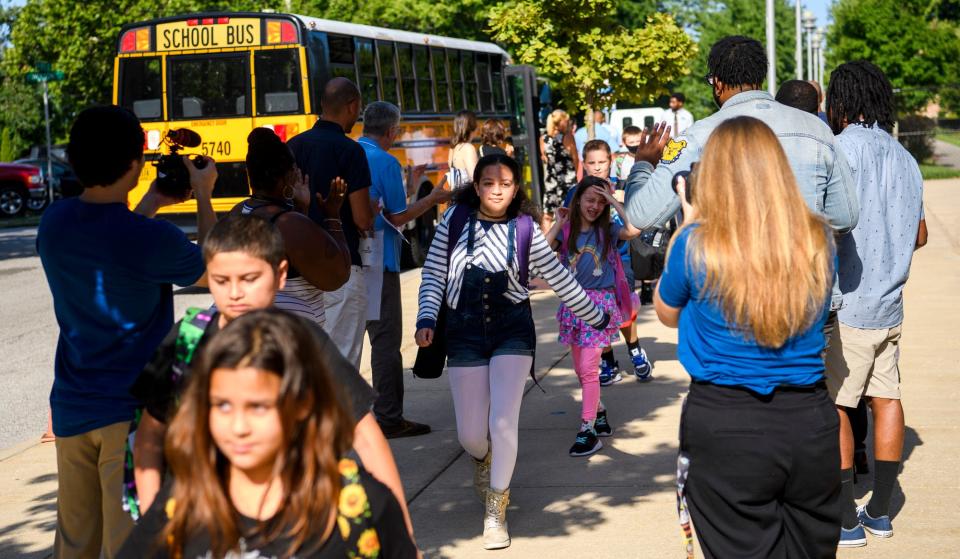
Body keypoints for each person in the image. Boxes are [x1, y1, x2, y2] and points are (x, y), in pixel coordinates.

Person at [129, 216, 415, 539]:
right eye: (221, 280)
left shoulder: (302, 343)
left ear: (280, 275)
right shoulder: (186, 340)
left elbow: (365, 435)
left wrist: (401, 533)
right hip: (206, 522)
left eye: (249, 278)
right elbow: (149, 438)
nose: (235, 293)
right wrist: (157, 526)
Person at [37, 105, 217, 559]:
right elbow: (214, 269)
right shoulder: (150, 240)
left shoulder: (53, 224)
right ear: (136, 163)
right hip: (134, 418)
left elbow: (110, 235)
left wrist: (153, 202)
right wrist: (202, 193)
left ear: (73, 161)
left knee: (75, 545)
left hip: (73, 409)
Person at [656, 116, 840, 557]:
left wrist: (687, 224)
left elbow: (665, 311)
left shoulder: (696, 243)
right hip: (809, 421)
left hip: (725, 421)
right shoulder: (817, 239)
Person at [415, 154, 608, 550]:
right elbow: (433, 274)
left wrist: (598, 318)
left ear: (516, 187)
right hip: (464, 330)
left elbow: (560, 278)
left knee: (503, 421)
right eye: (489, 182)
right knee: (471, 434)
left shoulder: (525, 229)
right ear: (477, 185)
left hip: (512, 331)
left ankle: (495, 510)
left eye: (505, 183)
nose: (497, 190)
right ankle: (482, 461)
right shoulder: (453, 221)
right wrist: (426, 318)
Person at [119, 310, 418, 559]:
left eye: (258, 407)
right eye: (222, 405)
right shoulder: (182, 505)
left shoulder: (359, 504)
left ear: (301, 406)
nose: (239, 427)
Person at [824, 61, 927, 547]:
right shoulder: (905, 157)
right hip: (892, 304)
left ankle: (846, 520)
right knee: (887, 399)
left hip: (851, 303)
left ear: (841, 101)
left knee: (839, 406)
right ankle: (881, 511)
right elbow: (920, 234)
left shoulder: (841, 149)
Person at [623, 36, 858, 247]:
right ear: (761, 77)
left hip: (735, 286)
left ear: (717, 83)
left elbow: (641, 216)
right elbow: (845, 218)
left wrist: (642, 165)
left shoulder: (699, 135)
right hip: (806, 283)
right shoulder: (817, 128)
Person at [360, 101, 454, 439]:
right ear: (392, 131)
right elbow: (397, 218)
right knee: (384, 342)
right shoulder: (385, 161)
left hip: (341, 260)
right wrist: (433, 198)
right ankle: (389, 416)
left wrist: (413, 185)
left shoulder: (352, 151)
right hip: (377, 262)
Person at [545, 176, 641, 456]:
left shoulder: (609, 230)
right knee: (580, 370)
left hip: (600, 305)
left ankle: (587, 430)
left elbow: (634, 230)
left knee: (588, 369)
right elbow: (539, 250)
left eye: (601, 202)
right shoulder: (567, 231)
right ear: (577, 201)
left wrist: (614, 202)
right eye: (590, 199)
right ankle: (598, 411)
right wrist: (559, 223)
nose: (595, 206)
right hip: (573, 304)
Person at [288, 77, 374, 368]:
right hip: (341, 266)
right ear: (352, 106)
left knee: (308, 364)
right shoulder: (351, 151)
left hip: (298, 272)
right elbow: (362, 218)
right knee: (342, 366)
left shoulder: (293, 146)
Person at [230, 128, 351, 327]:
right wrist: (332, 215)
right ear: (286, 177)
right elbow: (338, 276)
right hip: (283, 339)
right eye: (294, 169)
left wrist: (301, 208)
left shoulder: (237, 213)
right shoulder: (289, 224)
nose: (298, 173)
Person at [577, 140, 653, 384]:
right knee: (598, 316)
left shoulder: (623, 188)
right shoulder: (576, 193)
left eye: (602, 162)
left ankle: (635, 351)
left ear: (611, 160)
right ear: (583, 164)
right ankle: (608, 362)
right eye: (592, 163)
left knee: (625, 313)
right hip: (588, 270)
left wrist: (613, 200)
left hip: (620, 262)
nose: (597, 167)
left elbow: (633, 227)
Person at [542, 109, 579, 224]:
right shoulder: (568, 137)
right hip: (567, 179)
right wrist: (576, 175)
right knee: (570, 212)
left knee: (548, 214)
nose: (568, 124)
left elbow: (545, 159)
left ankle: (547, 240)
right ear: (561, 122)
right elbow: (575, 159)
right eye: (566, 121)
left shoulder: (543, 139)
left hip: (551, 181)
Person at [448, 110, 479, 187]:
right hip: (468, 197)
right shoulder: (468, 148)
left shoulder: (453, 148)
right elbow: (474, 178)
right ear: (472, 126)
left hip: (457, 196)